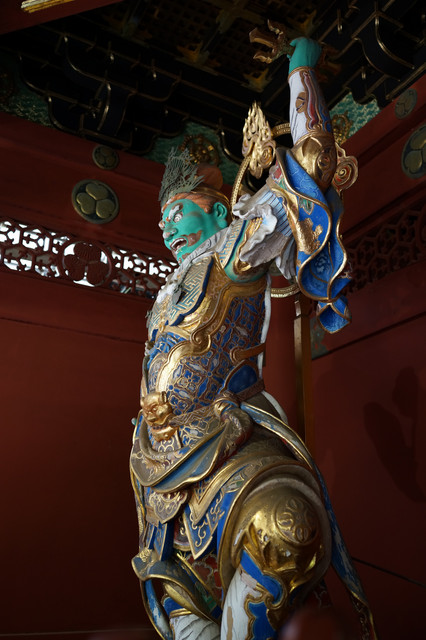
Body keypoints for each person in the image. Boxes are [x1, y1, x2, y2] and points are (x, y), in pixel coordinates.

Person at [130, 38, 374, 640]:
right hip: (159, 465)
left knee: (284, 529)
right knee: (177, 593)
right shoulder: (167, 291)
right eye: (161, 221)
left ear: (217, 212)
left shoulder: (233, 249)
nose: (167, 229)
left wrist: (300, 72)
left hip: (227, 439)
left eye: (178, 213)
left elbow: (312, 163)